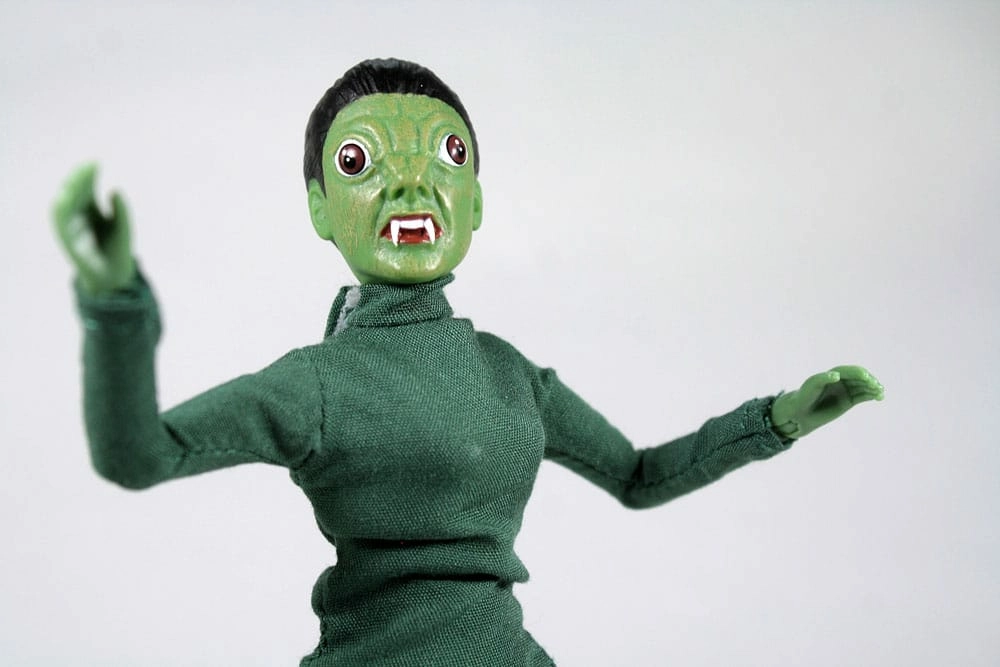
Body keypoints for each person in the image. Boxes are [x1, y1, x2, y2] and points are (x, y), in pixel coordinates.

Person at [53, 58, 884, 666]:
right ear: (320, 208)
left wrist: (774, 422)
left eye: (446, 156)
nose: (412, 183)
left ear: (475, 201)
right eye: (360, 163)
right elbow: (139, 454)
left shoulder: (507, 373)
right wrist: (115, 303)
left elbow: (638, 475)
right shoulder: (316, 386)